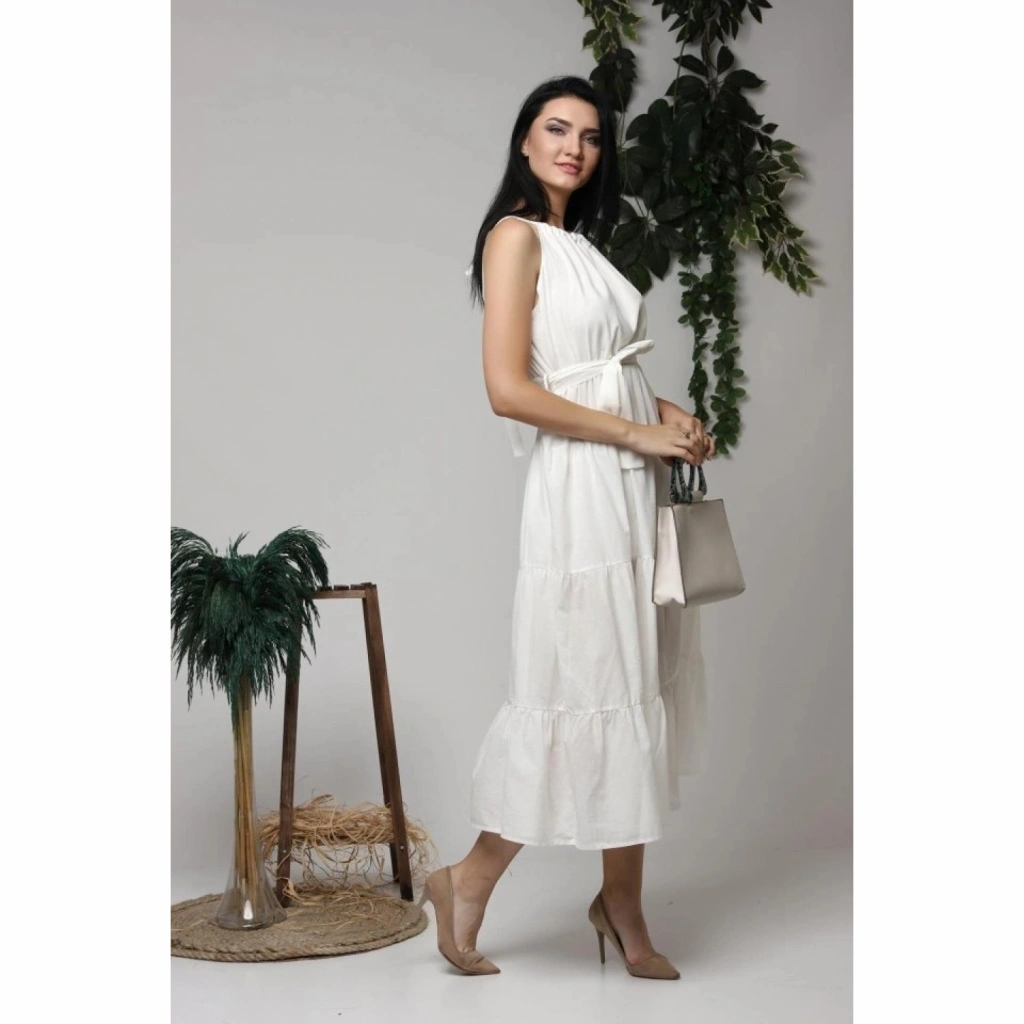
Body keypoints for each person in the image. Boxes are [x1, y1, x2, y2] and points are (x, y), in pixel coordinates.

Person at [417, 75, 715, 979]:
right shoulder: (515, 236)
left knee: (633, 678)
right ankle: (468, 878)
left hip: (628, 481)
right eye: (556, 129)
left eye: (589, 137)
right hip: (582, 488)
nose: (574, 149)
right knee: (579, 676)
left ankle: (620, 900)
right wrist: (635, 432)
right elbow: (509, 389)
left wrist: (666, 414)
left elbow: (597, 372)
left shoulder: (578, 242)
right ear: (524, 139)